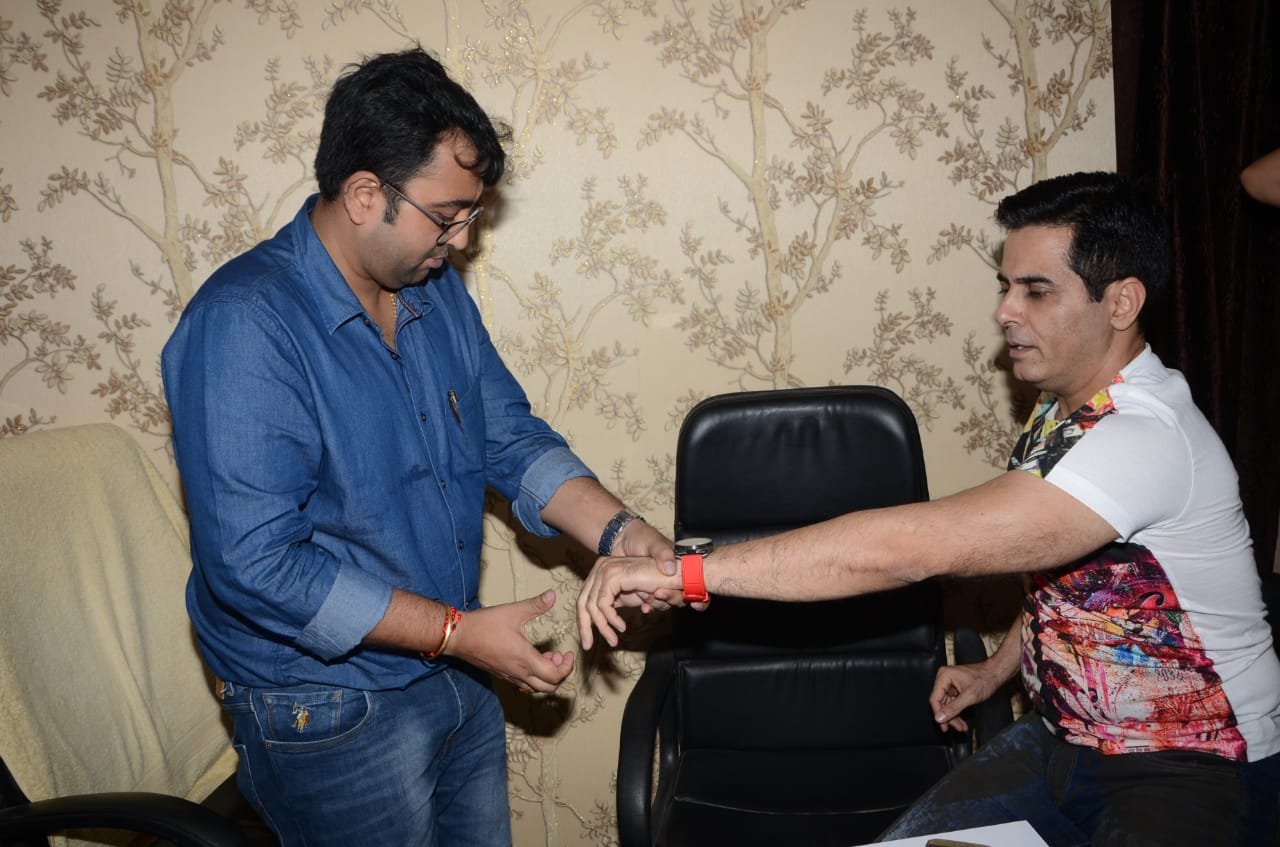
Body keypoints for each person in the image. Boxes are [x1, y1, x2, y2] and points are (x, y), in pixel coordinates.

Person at [578, 171, 1280, 846]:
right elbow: (1073, 580)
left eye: (1036, 290)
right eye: (1006, 286)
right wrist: (994, 670)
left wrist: (687, 573)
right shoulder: (1062, 409)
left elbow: (907, 550)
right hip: (1062, 737)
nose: (1006, 311)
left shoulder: (1143, 437)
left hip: (1195, 765)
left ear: (1122, 303)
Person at [162, 48, 675, 847]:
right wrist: (458, 633)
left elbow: (506, 434)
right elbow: (256, 565)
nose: (462, 240)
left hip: (454, 662)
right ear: (366, 194)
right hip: (329, 708)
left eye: (472, 215)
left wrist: (621, 532)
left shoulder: (431, 291)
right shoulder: (245, 324)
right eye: (446, 215)